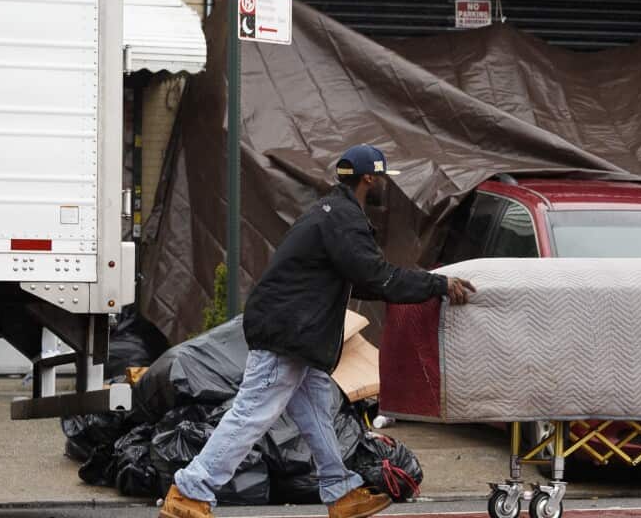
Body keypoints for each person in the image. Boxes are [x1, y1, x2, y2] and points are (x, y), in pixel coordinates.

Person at [158, 144, 475, 518]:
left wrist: (420, 285)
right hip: (288, 335)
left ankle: (341, 492)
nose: (385, 184)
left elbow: (362, 279)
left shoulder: (330, 213)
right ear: (369, 178)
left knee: (315, 415)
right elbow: (377, 276)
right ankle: (190, 491)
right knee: (252, 414)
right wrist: (436, 285)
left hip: (297, 334)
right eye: (383, 177)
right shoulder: (343, 219)